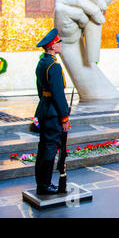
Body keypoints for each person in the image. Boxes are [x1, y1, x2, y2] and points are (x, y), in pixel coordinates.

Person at [34, 28, 71, 195]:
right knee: (50, 148)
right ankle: (45, 185)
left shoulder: (42, 62)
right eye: (58, 42)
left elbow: (40, 89)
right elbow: (58, 94)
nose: (60, 44)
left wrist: (45, 102)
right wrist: (64, 117)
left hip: (44, 108)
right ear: (52, 47)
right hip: (53, 112)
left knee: (43, 147)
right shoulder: (54, 66)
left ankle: (41, 183)